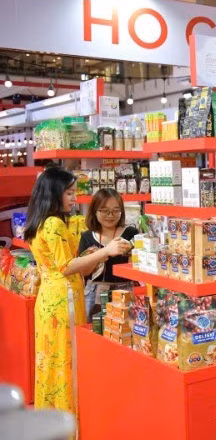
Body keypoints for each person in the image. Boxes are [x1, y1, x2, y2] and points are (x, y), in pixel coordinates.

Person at [23, 167, 131, 415]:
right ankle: (68, 418)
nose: (74, 198)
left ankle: (50, 416)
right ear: (54, 193)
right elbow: (66, 267)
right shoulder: (53, 224)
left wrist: (88, 256)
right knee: (66, 358)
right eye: (70, 193)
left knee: (50, 359)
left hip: (50, 297)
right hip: (64, 299)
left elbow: (57, 263)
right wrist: (106, 251)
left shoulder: (40, 222)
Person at [77, 188, 138, 317]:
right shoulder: (87, 236)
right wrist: (100, 255)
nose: (110, 215)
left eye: (116, 211)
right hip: (94, 293)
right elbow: (83, 271)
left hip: (125, 291)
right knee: (93, 331)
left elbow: (138, 266)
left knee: (124, 330)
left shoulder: (131, 233)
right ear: (94, 211)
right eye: (104, 211)